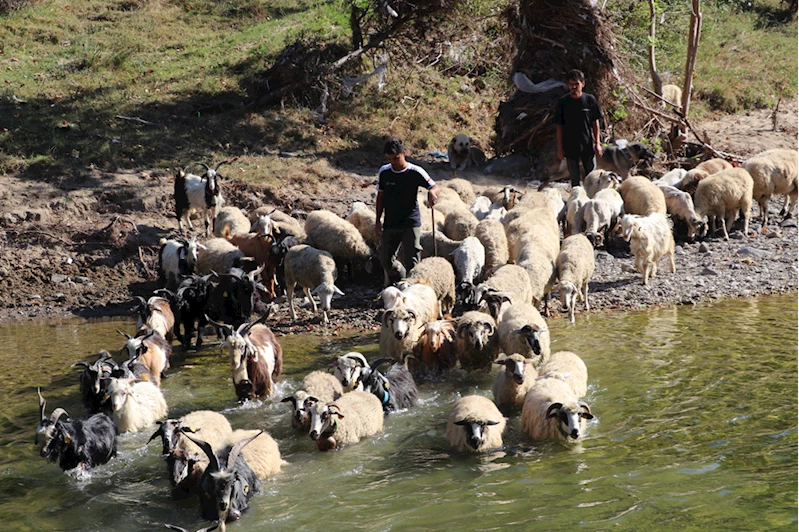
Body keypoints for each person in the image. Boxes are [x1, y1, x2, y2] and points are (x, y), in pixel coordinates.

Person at [375, 139, 439, 284]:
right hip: (390, 222)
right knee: (385, 258)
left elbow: (434, 186)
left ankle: (414, 290)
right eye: (389, 159)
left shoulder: (415, 171)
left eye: (396, 158)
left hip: (411, 222)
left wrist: (432, 193)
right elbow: (380, 197)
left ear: (404, 154)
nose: (393, 162)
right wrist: (377, 220)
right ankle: (400, 273)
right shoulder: (384, 172)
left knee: (413, 259)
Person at [555, 69, 604, 187]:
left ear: (583, 84)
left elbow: (595, 123)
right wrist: (560, 148)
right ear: (568, 85)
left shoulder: (589, 100)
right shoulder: (563, 102)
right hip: (570, 146)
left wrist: (597, 143)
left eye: (576, 84)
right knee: (575, 179)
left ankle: (591, 201)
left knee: (592, 178)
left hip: (587, 145)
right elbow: (559, 126)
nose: (574, 87)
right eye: (571, 84)